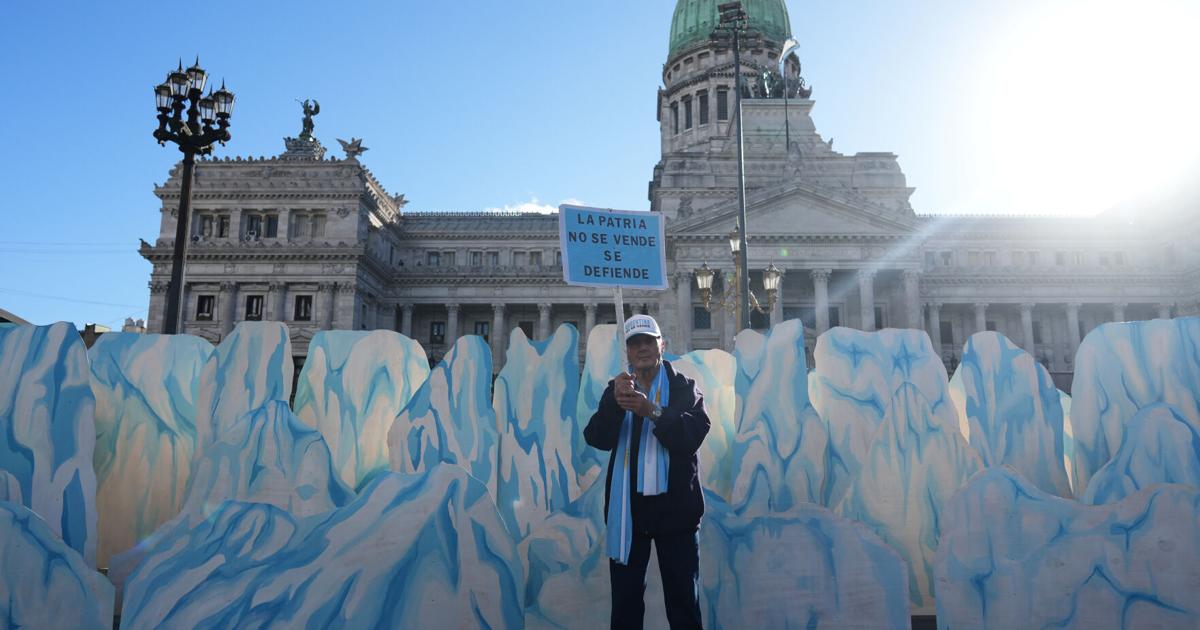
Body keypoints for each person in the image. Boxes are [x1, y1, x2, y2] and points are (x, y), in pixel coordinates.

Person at [585, 315, 710, 629]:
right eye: (634, 343)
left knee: (684, 607)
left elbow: (692, 435)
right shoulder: (618, 390)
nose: (642, 348)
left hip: (677, 513)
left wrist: (651, 411)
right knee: (625, 609)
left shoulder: (684, 387)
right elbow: (596, 438)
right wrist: (614, 406)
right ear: (627, 352)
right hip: (629, 514)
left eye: (648, 341)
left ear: (661, 346)